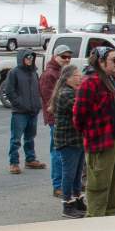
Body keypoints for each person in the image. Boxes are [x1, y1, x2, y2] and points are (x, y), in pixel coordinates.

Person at [73, 45, 115, 217]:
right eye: (113, 60)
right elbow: (79, 116)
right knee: (99, 184)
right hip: (101, 142)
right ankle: (95, 219)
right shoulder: (90, 82)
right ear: (100, 62)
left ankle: (110, 215)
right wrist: (92, 133)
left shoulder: (113, 79)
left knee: (114, 183)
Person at [0, 50, 46, 174]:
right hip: (20, 112)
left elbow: (38, 90)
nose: (29, 60)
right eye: (27, 58)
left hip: (33, 110)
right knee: (16, 139)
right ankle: (14, 163)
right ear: (21, 58)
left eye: (31, 58)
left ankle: (30, 159)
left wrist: (38, 104)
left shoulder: (34, 72)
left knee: (30, 137)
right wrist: (19, 104)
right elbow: (9, 91)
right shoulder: (14, 72)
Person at [52, 65, 87, 218]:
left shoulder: (74, 91)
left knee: (78, 173)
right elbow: (82, 109)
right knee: (69, 173)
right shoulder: (66, 93)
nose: (80, 78)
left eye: (80, 75)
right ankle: (67, 204)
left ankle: (78, 199)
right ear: (68, 78)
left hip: (77, 140)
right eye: (77, 76)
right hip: (68, 140)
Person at [40, 46, 71, 196]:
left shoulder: (62, 72)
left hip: (64, 119)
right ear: (55, 56)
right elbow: (49, 101)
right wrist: (57, 118)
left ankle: (63, 184)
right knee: (57, 153)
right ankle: (57, 185)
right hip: (56, 119)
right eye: (63, 57)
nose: (66, 59)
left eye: (68, 57)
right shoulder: (49, 75)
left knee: (64, 154)